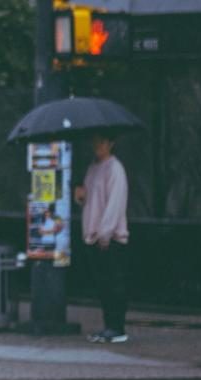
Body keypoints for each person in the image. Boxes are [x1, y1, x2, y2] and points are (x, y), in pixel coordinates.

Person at [74, 133, 129, 344]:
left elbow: (115, 204)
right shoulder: (92, 168)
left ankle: (117, 327)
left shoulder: (115, 169)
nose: (97, 145)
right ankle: (109, 326)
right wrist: (81, 197)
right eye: (95, 141)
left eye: (103, 142)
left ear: (111, 144)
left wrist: (104, 233)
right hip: (93, 235)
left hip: (109, 237)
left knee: (114, 282)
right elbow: (93, 200)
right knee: (103, 284)